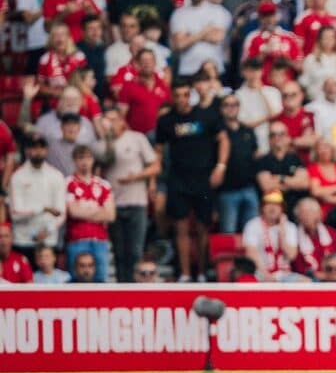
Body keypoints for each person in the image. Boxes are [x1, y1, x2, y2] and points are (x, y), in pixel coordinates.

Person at [155, 78, 229, 282]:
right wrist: (154, 180)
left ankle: (202, 271)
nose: (181, 99)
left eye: (185, 94)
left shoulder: (206, 116)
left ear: (191, 95)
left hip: (204, 179)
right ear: (172, 96)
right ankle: (186, 273)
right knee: (181, 226)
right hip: (178, 179)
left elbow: (223, 139)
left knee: (203, 226)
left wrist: (220, 167)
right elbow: (159, 151)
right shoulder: (166, 120)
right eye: (177, 95)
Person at [94, 106, 160, 283]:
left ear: (122, 121)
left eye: (114, 119)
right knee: (119, 252)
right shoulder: (101, 144)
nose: (111, 124)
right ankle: (122, 288)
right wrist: (106, 136)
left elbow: (155, 165)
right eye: (107, 120)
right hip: (114, 205)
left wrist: (137, 177)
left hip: (137, 202)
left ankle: (136, 289)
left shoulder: (137, 138)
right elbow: (106, 160)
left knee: (135, 251)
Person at [8, 135, 66, 260]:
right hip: (23, 240)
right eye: (34, 147)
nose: (38, 151)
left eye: (41, 147)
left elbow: (61, 213)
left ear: (47, 150)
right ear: (27, 151)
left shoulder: (56, 176)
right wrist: (43, 209)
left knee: (47, 279)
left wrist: (48, 230)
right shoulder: (18, 177)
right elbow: (15, 213)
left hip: (48, 241)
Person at [64, 145, 116, 283]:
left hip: (100, 239)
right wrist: (97, 209)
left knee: (100, 279)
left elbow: (110, 215)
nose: (85, 162)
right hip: (76, 239)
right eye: (81, 158)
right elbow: (73, 212)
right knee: (76, 280)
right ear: (74, 160)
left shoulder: (104, 184)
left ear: (93, 160)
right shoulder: (68, 183)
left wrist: (83, 210)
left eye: (88, 157)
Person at [219, 94, 260, 234]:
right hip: (227, 191)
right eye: (227, 105)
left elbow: (255, 155)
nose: (231, 108)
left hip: (249, 188)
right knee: (228, 233)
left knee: (253, 233)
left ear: (239, 107)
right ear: (221, 108)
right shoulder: (217, 132)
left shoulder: (248, 130)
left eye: (234, 104)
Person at [242, 191, 303, 282]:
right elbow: (251, 253)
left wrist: (282, 235)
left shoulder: (290, 227)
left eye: (277, 205)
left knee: (306, 282)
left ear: (282, 209)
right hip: (259, 273)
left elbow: (291, 256)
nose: (272, 208)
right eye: (268, 204)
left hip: (283, 274)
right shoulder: (252, 225)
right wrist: (267, 275)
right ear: (262, 208)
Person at [292, 197, 336, 280]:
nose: (306, 215)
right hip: (308, 279)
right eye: (303, 212)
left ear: (319, 214)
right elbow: (298, 267)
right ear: (298, 216)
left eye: (310, 211)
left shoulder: (332, 233)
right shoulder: (294, 236)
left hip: (334, 276)